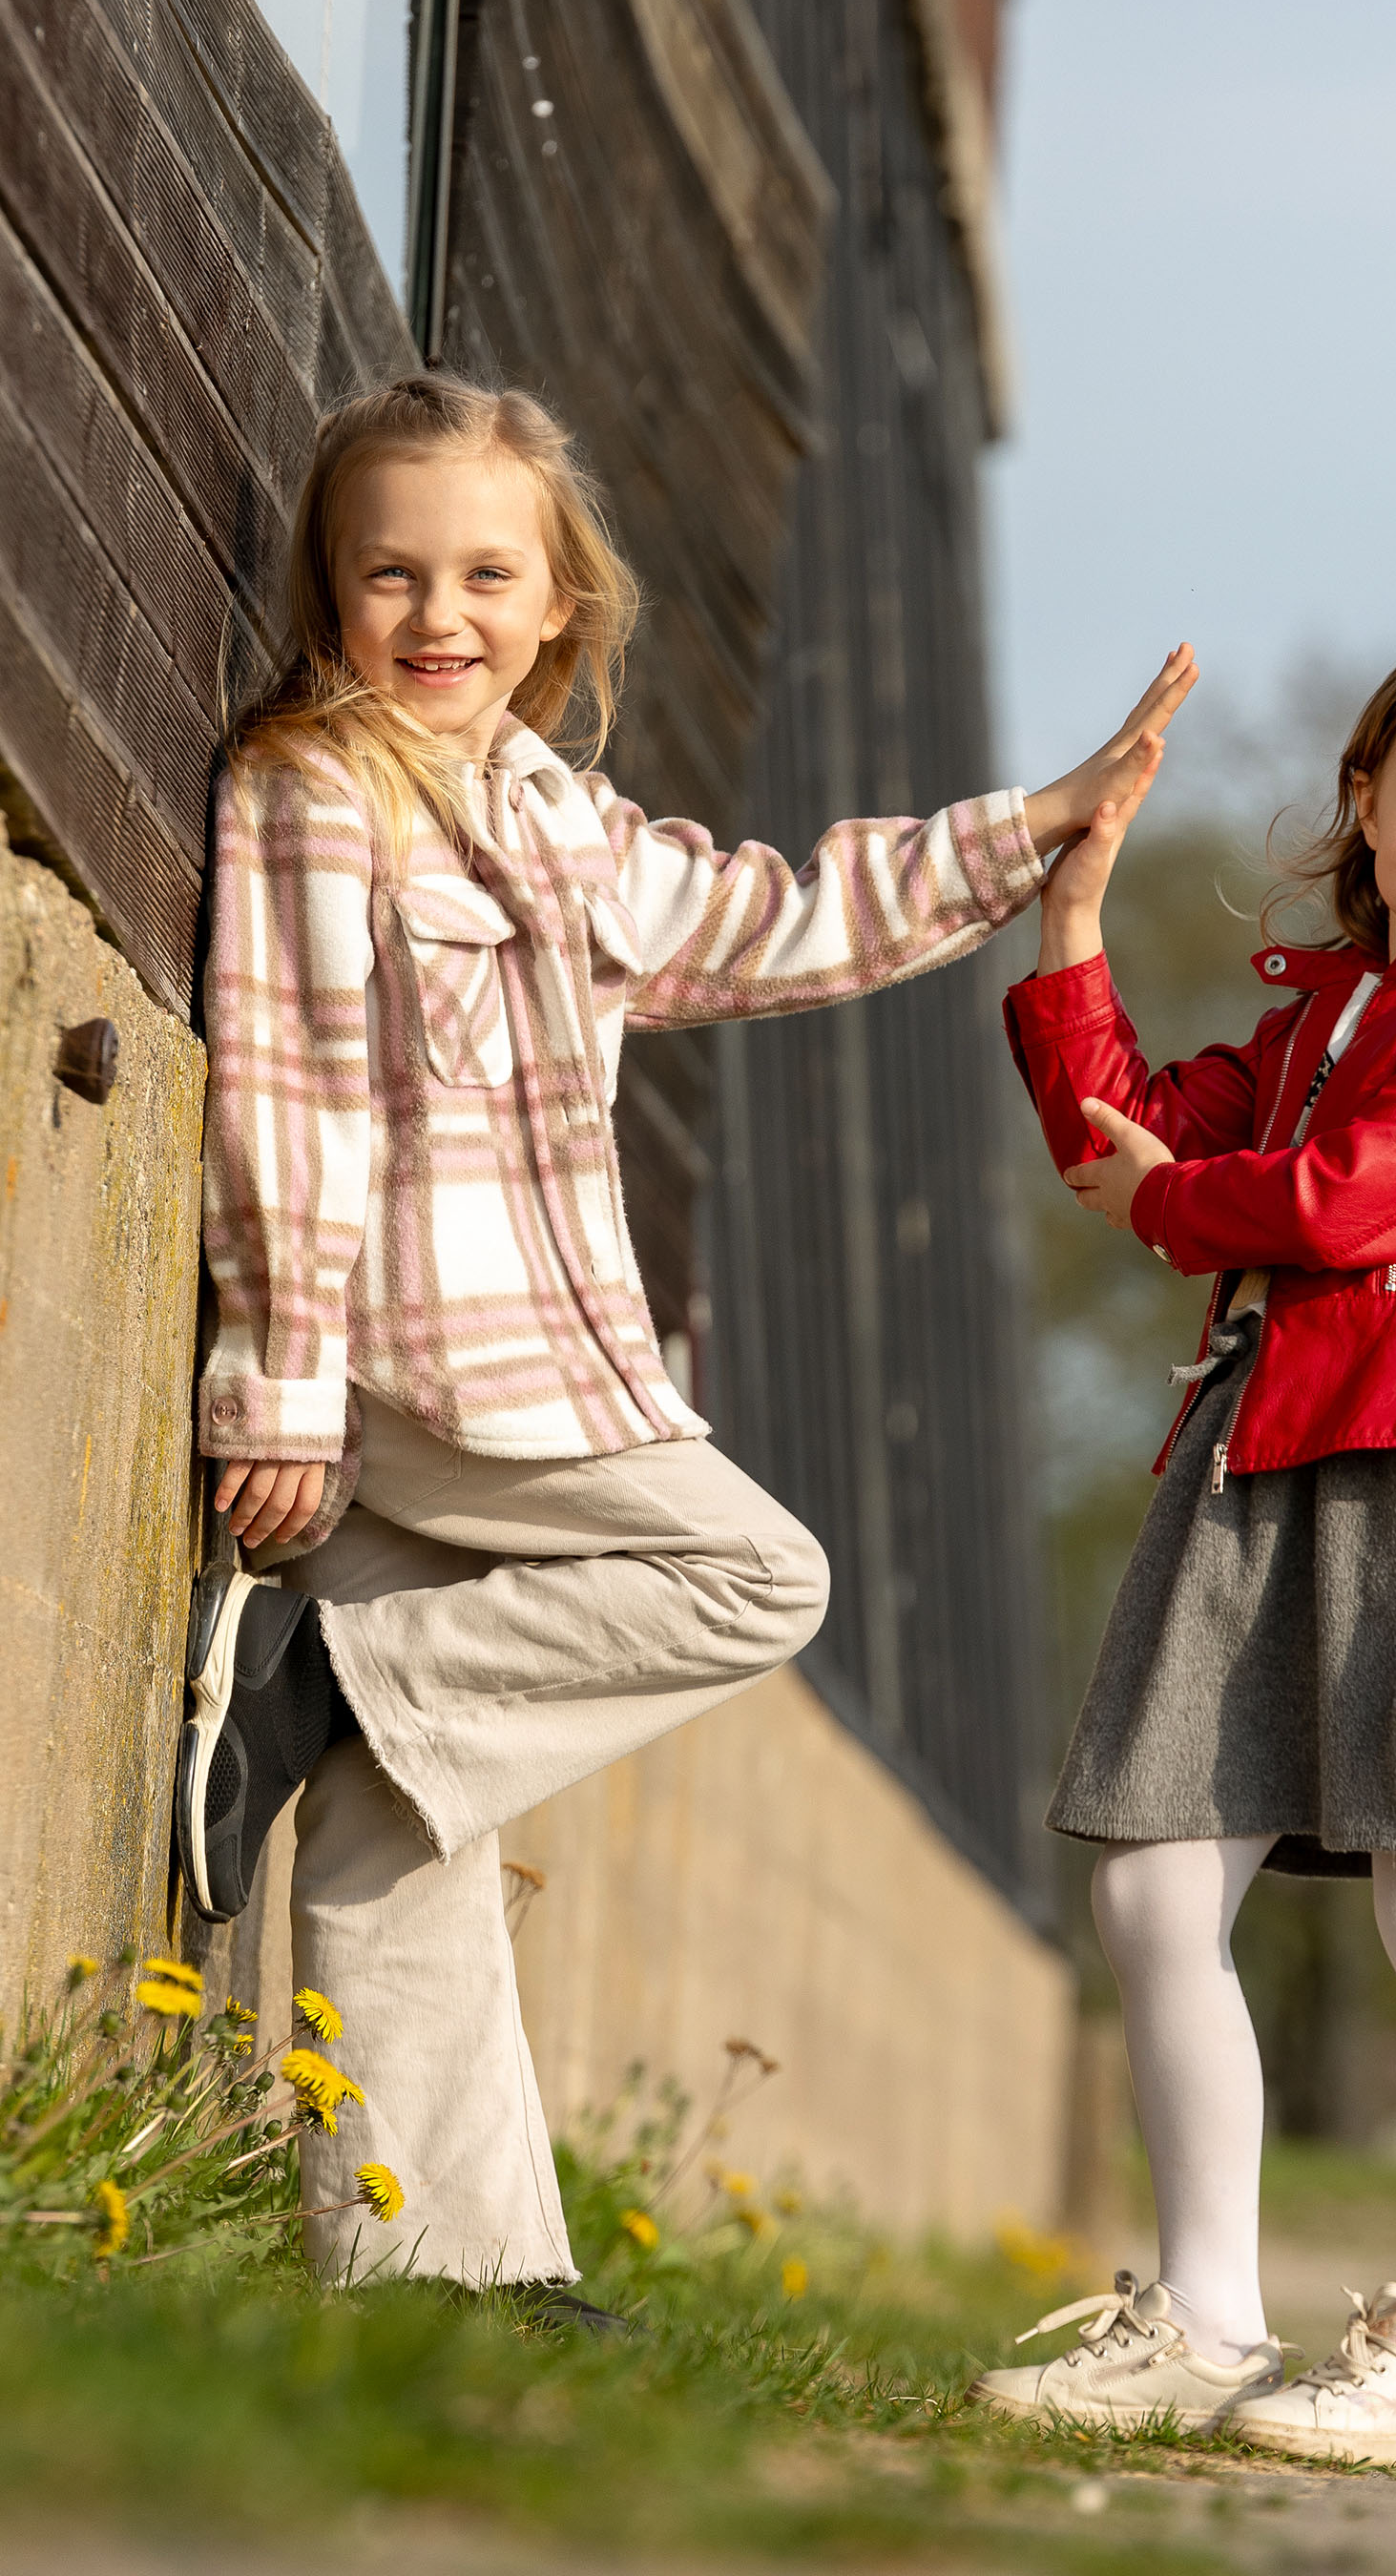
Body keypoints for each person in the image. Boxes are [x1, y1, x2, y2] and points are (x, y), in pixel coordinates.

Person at [179, 371, 1196, 2305]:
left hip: (519, 1357)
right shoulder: (314, 788)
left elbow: (777, 918)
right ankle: (321, 1670)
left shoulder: (549, 811)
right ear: (329, 588)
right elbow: (290, 1100)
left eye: (486, 575)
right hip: (422, 1366)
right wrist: (283, 1386)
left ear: (559, 603)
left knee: (410, 1824)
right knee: (754, 1576)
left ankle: (435, 2275)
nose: (438, 615)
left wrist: (1041, 826)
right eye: (388, 574)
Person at [977, 619, 1396, 2463]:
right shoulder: (1319, 1017)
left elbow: (1341, 1206)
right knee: (1153, 1888)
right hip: (1257, 1465)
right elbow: (1120, 1134)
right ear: (1366, 800)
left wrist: (1176, 1203)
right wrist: (1075, 919)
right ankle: (1202, 2315)